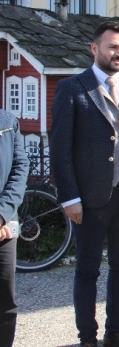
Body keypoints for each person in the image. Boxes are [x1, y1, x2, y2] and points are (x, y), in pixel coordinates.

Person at [50, 21, 119, 347]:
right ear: (95, 48)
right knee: (88, 269)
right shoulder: (72, 89)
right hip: (88, 199)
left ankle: (114, 333)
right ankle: (88, 338)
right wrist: (69, 198)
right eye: (112, 47)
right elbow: (60, 149)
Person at [0, 110, 29, 347]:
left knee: (5, 304)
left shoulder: (7, 121)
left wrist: (2, 215)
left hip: (4, 226)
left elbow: (20, 168)